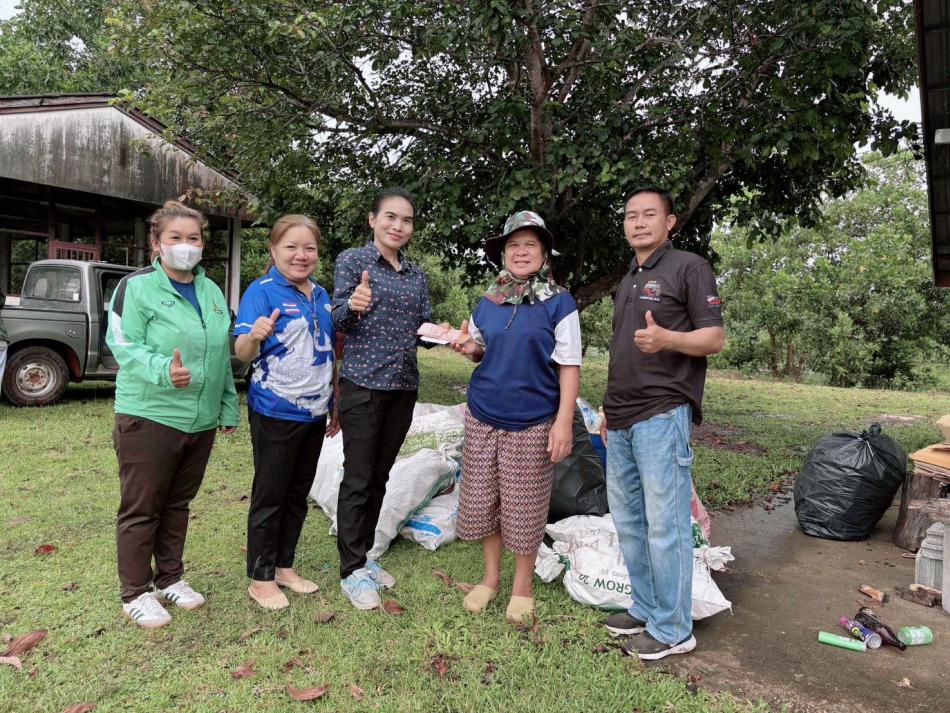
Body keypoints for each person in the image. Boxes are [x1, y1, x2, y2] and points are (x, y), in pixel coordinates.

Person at [598, 187, 724, 660]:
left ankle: (674, 628)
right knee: (629, 521)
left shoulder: (688, 267)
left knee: (665, 524)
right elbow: (623, 351)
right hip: (623, 414)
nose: (639, 223)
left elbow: (714, 338)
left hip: (663, 412)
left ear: (670, 222)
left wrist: (668, 338)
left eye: (650, 215)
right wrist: (609, 409)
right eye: (631, 216)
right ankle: (646, 606)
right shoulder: (630, 275)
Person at [107, 200, 239, 629]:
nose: (186, 246)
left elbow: (219, 353)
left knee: (178, 503)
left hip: (199, 421)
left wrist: (227, 405)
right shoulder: (137, 287)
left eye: (194, 238)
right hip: (150, 414)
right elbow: (123, 344)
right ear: (156, 244)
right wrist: (165, 370)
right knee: (142, 507)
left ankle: (169, 578)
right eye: (175, 238)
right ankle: (135, 592)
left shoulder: (212, 291)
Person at [451, 211, 581, 625]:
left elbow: (569, 366)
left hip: (533, 420)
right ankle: (490, 579)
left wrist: (563, 423)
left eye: (530, 244)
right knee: (484, 501)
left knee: (524, 508)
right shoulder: (489, 300)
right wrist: (466, 347)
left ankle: (521, 587)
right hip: (484, 414)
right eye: (513, 245)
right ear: (503, 254)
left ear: (544, 253)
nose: (521, 251)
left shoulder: (560, 302)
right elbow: (480, 348)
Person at [331, 187, 435, 610]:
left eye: (406, 220)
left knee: (380, 475)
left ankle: (366, 556)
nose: (398, 226)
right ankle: (350, 570)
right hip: (362, 384)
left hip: (403, 385)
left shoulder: (417, 275)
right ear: (372, 220)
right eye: (390, 217)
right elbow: (337, 316)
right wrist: (353, 305)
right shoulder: (353, 262)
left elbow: (421, 328)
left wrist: (445, 334)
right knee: (357, 476)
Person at [234, 215, 339, 610]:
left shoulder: (322, 295)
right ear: (274, 250)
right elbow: (242, 355)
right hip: (274, 411)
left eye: (309, 248)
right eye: (291, 247)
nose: (301, 255)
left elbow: (327, 352)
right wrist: (253, 336)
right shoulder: (261, 292)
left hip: (314, 412)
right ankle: (260, 578)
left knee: (297, 493)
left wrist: (333, 400)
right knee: (271, 493)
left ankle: (283, 566)